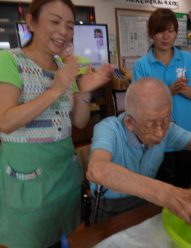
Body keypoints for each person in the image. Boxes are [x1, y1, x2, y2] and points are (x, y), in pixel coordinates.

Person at [0, 0, 113, 247]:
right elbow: (6, 122)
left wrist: (84, 91)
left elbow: (80, 122)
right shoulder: (9, 61)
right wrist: (57, 88)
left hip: (63, 173)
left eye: (70, 25)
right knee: (33, 239)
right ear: (31, 22)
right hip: (27, 177)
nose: (64, 31)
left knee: (64, 237)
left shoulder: (64, 67)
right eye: (54, 21)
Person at [87, 77, 191, 224]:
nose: (160, 133)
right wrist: (167, 193)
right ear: (129, 122)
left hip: (146, 202)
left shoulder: (165, 129)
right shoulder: (108, 129)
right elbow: (97, 170)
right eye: (150, 124)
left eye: (165, 121)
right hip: (111, 209)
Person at [132, 8, 191, 189]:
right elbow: (139, 104)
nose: (166, 36)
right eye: (160, 31)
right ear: (151, 34)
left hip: (187, 136)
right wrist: (168, 91)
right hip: (156, 138)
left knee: (184, 187)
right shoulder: (142, 65)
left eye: (171, 31)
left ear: (175, 33)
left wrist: (182, 89)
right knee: (161, 192)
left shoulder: (186, 59)